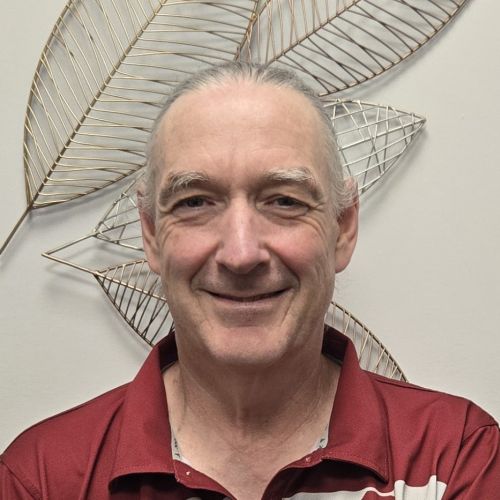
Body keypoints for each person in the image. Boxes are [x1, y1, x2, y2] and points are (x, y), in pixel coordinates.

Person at [1, 62, 499, 499]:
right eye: (195, 202)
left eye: (284, 200)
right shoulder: (41, 479)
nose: (241, 255)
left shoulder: (454, 458)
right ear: (151, 235)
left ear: (343, 229)